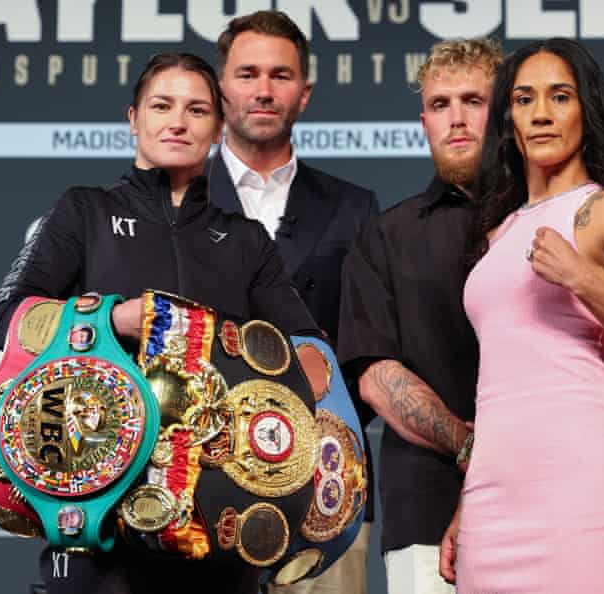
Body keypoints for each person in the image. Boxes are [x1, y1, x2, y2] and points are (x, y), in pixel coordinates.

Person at [0, 52, 318, 594]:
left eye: (197, 110)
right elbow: (5, 319)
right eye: (162, 105)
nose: (178, 121)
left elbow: (306, 347)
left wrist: (306, 372)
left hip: (215, 527)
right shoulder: (84, 211)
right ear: (133, 118)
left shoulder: (245, 239)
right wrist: (111, 319)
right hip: (96, 516)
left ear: (218, 128)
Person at [439, 38, 604, 593]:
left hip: (582, 491)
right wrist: (466, 504)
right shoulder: (498, 230)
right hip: (492, 500)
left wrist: (583, 279)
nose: (542, 114)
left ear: (586, 110)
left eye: (560, 96)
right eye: (525, 99)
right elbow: (504, 383)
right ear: (509, 118)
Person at [205, 11, 379, 594]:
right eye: (247, 73)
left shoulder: (355, 207)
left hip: (325, 489)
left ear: (304, 95)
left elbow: (370, 349)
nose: (263, 89)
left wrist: (320, 426)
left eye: (281, 75)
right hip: (196, 488)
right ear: (220, 87)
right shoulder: (173, 202)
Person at [338, 38, 503, 594]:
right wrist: (467, 444)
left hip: (549, 489)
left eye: (473, 101)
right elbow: (376, 376)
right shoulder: (387, 234)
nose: (456, 119)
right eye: (440, 105)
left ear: (504, 109)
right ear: (423, 120)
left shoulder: (548, 219)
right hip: (426, 503)